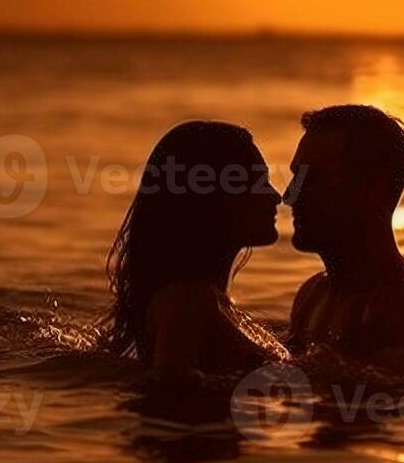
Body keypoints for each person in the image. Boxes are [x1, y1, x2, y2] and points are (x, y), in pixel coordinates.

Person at [101, 121, 289, 376]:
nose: (275, 196)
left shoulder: (209, 301)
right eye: (260, 182)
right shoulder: (189, 302)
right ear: (215, 199)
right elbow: (169, 385)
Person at [284, 104, 404, 355]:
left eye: (314, 180)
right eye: (295, 177)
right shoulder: (313, 294)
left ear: (373, 189)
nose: (290, 196)